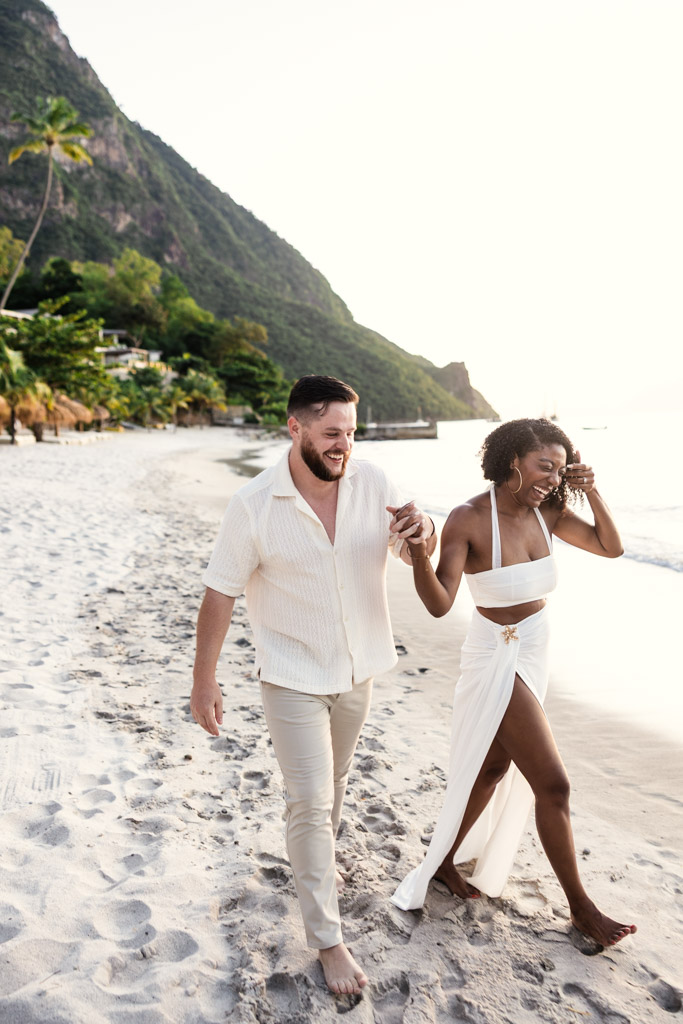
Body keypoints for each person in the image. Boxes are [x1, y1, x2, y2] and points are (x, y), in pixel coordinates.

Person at [190, 375, 436, 995]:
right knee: (308, 800)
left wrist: (422, 530)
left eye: (351, 434)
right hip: (292, 675)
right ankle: (327, 940)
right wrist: (204, 680)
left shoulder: (374, 483)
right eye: (331, 434)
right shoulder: (252, 504)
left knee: (335, 789)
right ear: (294, 428)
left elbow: (409, 550)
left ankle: (316, 864)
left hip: (359, 669)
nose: (343, 447)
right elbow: (219, 592)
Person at [390, 418, 637, 949]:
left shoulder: (549, 513)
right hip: (494, 653)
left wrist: (593, 494)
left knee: (493, 768)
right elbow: (438, 604)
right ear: (511, 462)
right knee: (555, 783)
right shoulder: (469, 518)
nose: (552, 478)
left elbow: (610, 547)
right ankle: (581, 909)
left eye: (559, 468)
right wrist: (417, 555)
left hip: (535, 646)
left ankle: (442, 863)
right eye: (543, 466)